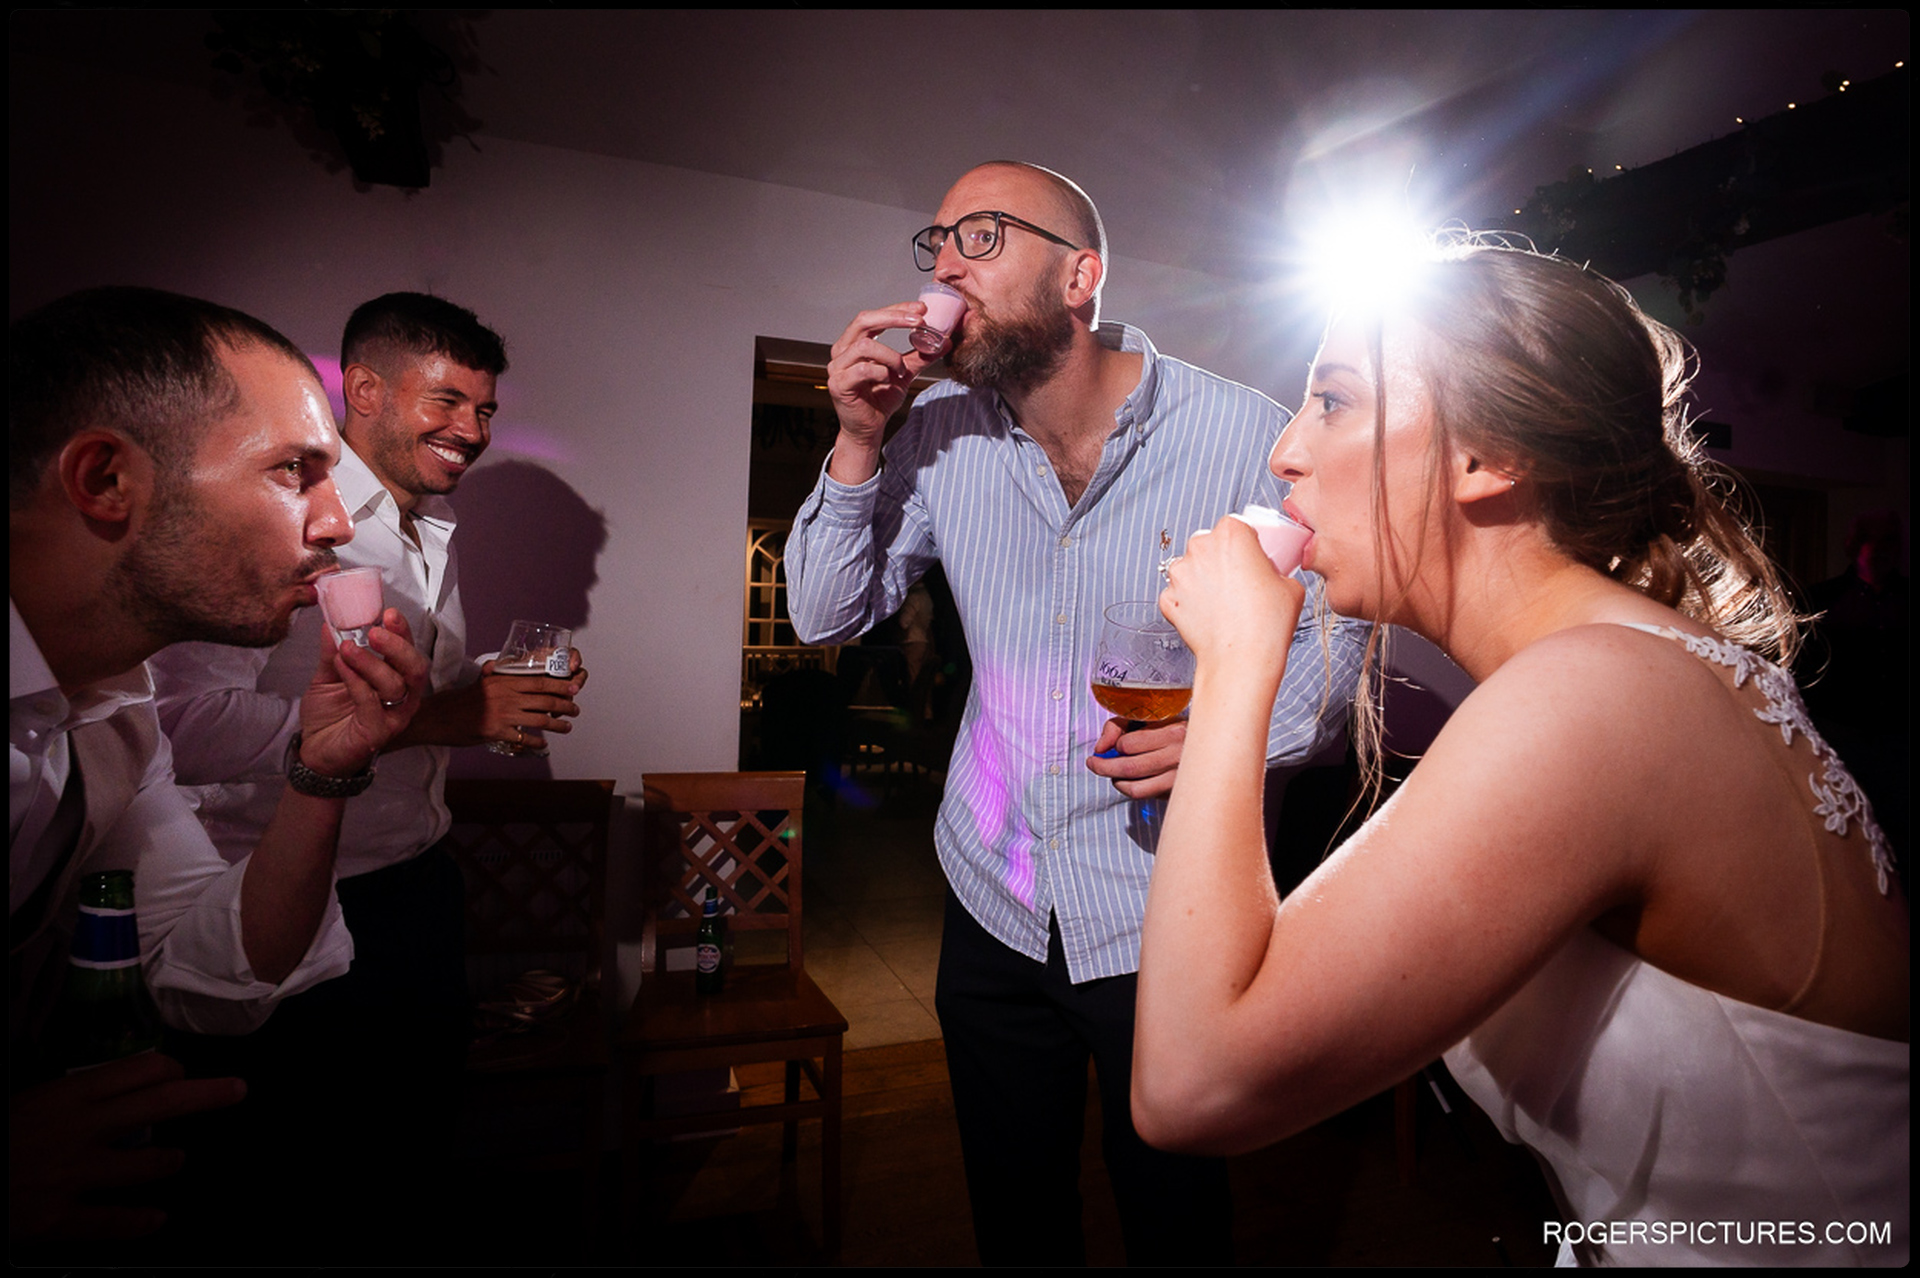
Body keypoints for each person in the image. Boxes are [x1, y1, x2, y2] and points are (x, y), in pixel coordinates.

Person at [1132, 242, 1909, 1265]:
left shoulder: (1595, 697)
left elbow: (1193, 1084)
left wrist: (1236, 668)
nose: (1284, 450)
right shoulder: (1619, 668)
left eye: (1332, 401)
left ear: (1486, 458)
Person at [786, 161, 1368, 1265]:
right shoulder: (931, 432)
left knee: (1175, 1218)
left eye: (984, 235)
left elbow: (1341, 633)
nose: (946, 262)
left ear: (1080, 276)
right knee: (1015, 1215)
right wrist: (858, 438)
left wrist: (1232, 732)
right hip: (994, 896)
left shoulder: (1244, 432)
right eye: (940, 240)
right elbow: (824, 616)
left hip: (1166, 909)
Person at [147, 292, 584, 1256]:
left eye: (484, 411)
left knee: (405, 1163)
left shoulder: (430, 530)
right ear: (369, 389)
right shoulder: (283, 514)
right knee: (290, 1185)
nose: (470, 431)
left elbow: (406, 697)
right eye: (448, 401)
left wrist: (487, 690)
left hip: (419, 884)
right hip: (290, 900)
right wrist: (449, 714)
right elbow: (178, 725)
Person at [9, 286, 428, 1242]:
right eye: (295, 472)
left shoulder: (113, 713)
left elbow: (214, 963)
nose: (334, 523)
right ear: (106, 479)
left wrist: (323, 770)